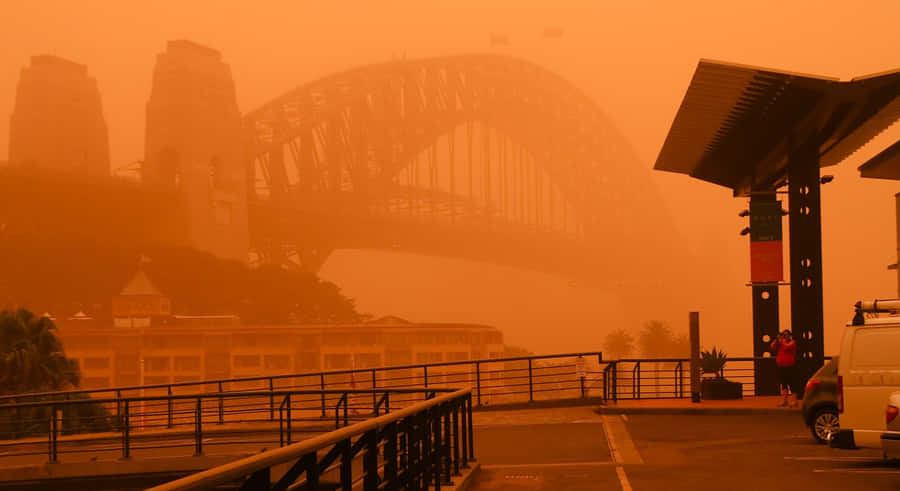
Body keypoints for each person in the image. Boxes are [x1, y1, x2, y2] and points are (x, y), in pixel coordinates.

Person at [770, 330, 798, 407]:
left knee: (792, 384)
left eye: (786, 335)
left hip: (790, 366)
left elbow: (787, 347)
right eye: (784, 335)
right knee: (784, 384)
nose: (785, 336)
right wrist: (777, 339)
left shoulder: (792, 342)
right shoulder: (781, 342)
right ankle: (784, 401)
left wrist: (781, 341)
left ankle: (794, 401)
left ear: (790, 335)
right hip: (781, 366)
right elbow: (772, 346)